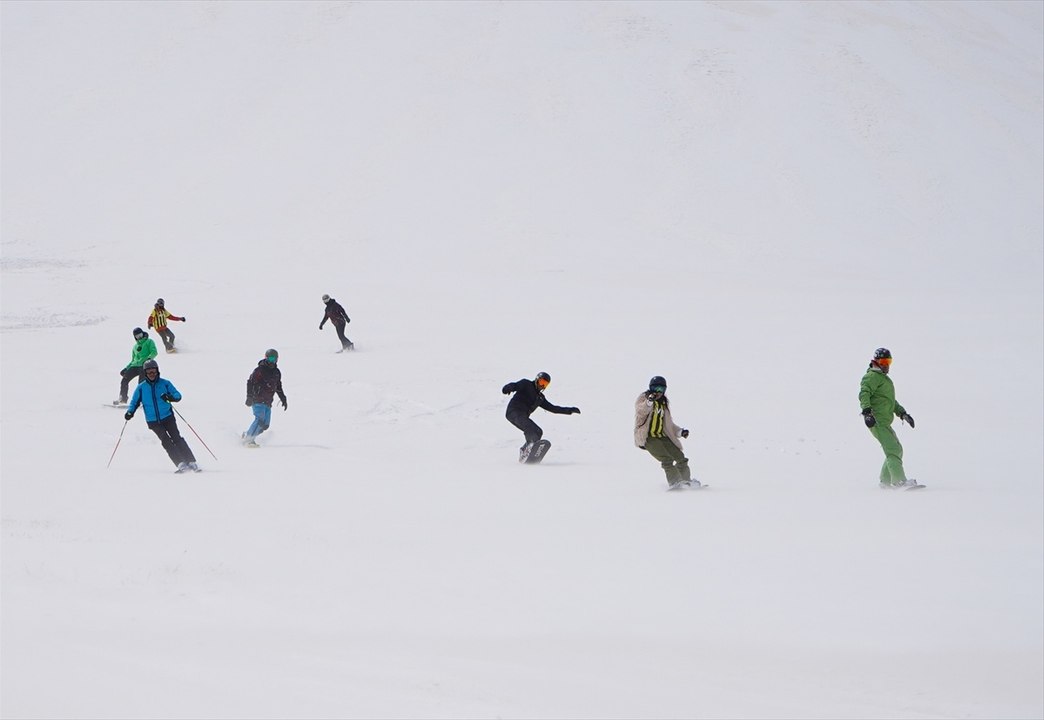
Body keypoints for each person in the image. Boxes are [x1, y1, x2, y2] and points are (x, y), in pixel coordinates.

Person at [124, 359, 199, 472]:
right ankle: (180, 463)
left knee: (176, 438)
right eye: (149, 372)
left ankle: (191, 461)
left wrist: (170, 397)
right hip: (153, 421)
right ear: (145, 373)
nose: (152, 374)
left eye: (154, 372)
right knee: (166, 440)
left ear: (158, 371)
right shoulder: (141, 387)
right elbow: (134, 402)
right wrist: (130, 412)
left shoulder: (165, 383)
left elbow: (177, 395)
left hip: (168, 416)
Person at [859, 348, 919, 489]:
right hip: (876, 420)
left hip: (883, 421)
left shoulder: (883, 379)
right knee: (893, 449)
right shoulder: (872, 377)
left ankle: (885, 482)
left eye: (888, 361)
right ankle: (899, 481)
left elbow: (890, 401)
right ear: (876, 362)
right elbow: (864, 393)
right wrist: (867, 412)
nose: (886, 365)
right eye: (883, 361)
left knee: (895, 450)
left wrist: (902, 413)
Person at [634, 375, 699, 490]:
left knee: (681, 458)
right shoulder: (644, 399)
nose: (658, 392)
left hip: (662, 437)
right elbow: (641, 411)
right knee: (667, 459)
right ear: (651, 388)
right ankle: (675, 482)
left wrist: (680, 432)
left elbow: (668, 424)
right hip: (649, 438)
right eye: (656, 388)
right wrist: (649, 402)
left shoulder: (663, 404)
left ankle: (686, 481)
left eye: (662, 389)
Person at [501, 372, 580, 459]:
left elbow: (553, 408)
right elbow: (515, 385)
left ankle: (525, 451)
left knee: (538, 431)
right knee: (531, 429)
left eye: (545, 384)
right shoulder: (526, 384)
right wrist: (508, 388)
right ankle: (528, 449)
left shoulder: (540, 398)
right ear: (536, 379)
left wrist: (569, 410)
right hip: (513, 412)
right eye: (541, 382)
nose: (542, 386)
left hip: (522, 416)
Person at [243, 348, 288, 447]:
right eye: (271, 359)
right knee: (259, 419)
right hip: (257, 399)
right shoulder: (260, 370)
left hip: (268, 401)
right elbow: (250, 382)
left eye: (274, 359)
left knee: (265, 425)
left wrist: (283, 398)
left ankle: (247, 434)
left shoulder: (276, 372)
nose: (272, 361)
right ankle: (248, 439)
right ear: (266, 358)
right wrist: (249, 396)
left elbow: (278, 387)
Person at [115, 327, 158, 405]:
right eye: (137, 336)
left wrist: (148, 359)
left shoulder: (149, 341)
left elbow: (154, 352)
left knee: (141, 383)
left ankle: (142, 400)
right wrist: (126, 368)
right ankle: (123, 398)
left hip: (144, 365)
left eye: (140, 335)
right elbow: (133, 360)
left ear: (143, 333)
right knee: (124, 380)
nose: (139, 337)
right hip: (135, 366)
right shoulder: (135, 347)